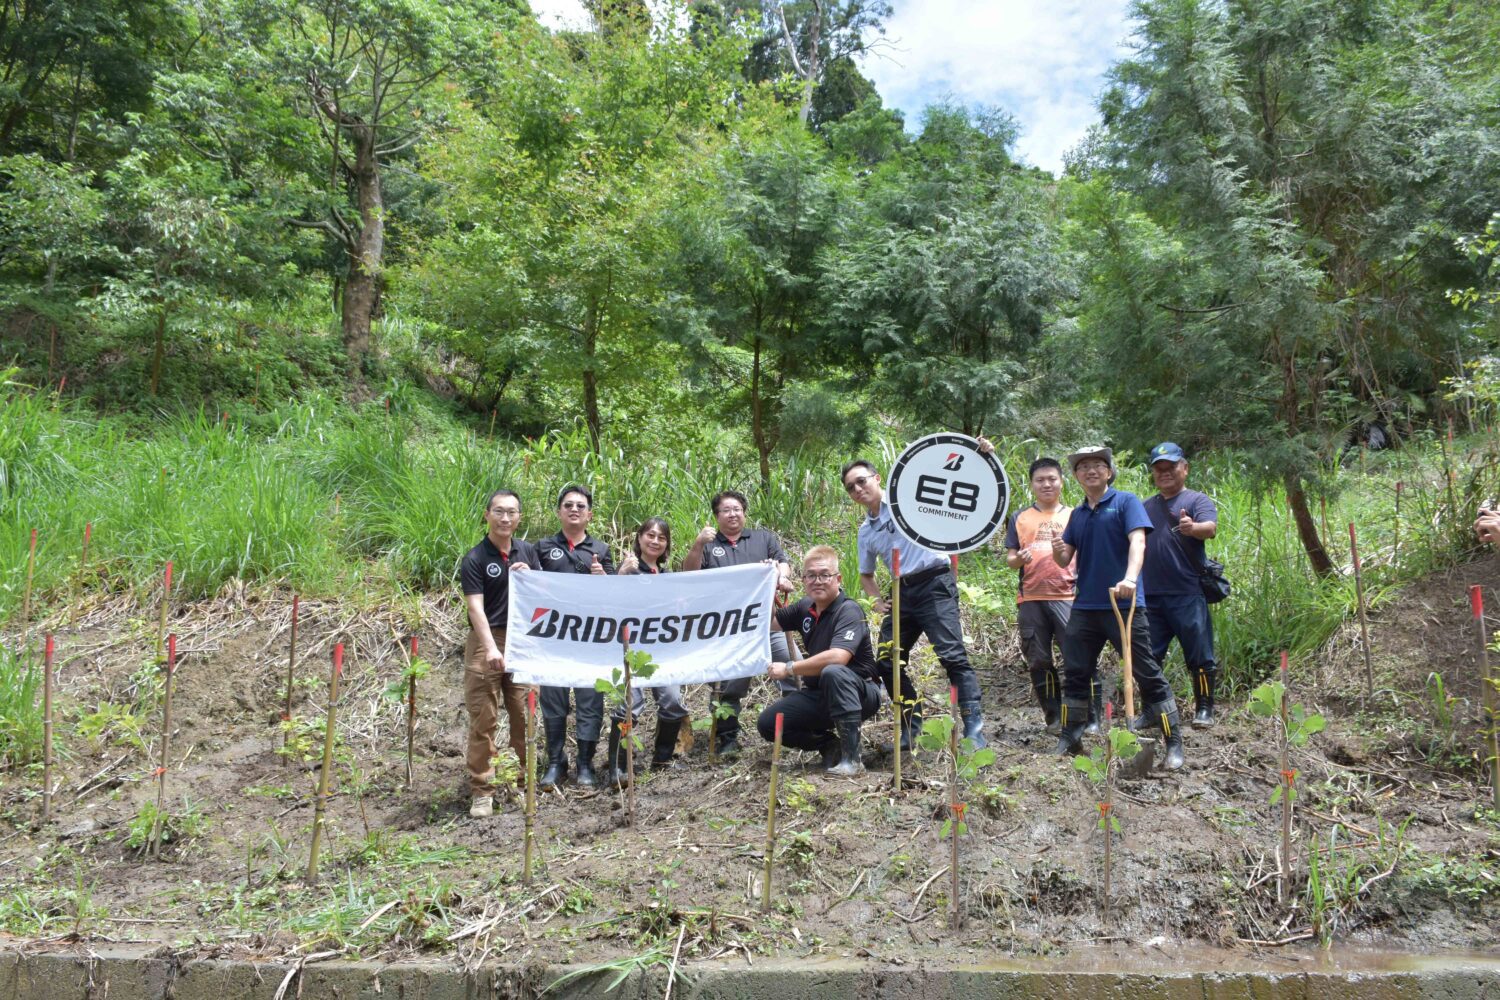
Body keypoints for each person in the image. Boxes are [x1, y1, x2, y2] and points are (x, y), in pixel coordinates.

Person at [1049, 447, 1184, 770]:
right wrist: (1057, 550)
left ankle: (1173, 741)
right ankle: (1071, 735)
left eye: (1097, 465)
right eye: (1083, 467)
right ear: (1076, 477)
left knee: (1146, 672)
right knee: (1076, 672)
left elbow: (1138, 541)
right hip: (1085, 605)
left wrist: (1130, 578)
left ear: (1109, 472)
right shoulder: (1078, 514)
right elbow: (1064, 559)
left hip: (1124, 604)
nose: (1090, 471)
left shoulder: (1126, 502)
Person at [842, 459, 989, 749]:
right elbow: (865, 573)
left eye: (862, 481)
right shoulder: (865, 531)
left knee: (952, 656)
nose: (858, 489)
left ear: (877, 478)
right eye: (851, 488)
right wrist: (875, 602)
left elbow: (950, 480)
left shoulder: (909, 501)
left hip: (935, 582)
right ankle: (912, 725)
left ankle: (974, 730)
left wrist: (979, 453)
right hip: (902, 593)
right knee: (886, 660)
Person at [681, 490, 795, 756]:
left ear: (744, 512)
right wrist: (697, 544)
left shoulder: (763, 538)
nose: (732, 514)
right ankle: (727, 738)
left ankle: (794, 728)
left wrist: (779, 573)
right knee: (729, 687)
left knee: (794, 670)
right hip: (729, 630)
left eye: (737, 509)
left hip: (769, 625)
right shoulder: (708, 545)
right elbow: (689, 575)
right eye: (726, 510)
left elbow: (784, 565)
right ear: (716, 516)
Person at [756, 545, 883, 776]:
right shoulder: (806, 607)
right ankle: (829, 745)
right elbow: (767, 622)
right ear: (803, 580)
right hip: (821, 694)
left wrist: (789, 668)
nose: (818, 581)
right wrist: (768, 583)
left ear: (838, 578)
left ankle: (852, 759)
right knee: (769, 723)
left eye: (825, 575)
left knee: (833, 671)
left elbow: (838, 657)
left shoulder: (849, 610)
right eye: (811, 576)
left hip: (860, 692)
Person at [459, 489, 541, 818]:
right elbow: (475, 608)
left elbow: (543, 596)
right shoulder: (476, 558)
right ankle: (482, 790)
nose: (505, 518)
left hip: (523, 639)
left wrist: (531, 577)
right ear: (487, 515)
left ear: (520, 517)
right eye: (499, 512)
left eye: (511, 512)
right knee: (484, 719)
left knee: (524, 716)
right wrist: (491, 648)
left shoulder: (528, 552)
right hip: (486, 641)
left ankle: (520, 784)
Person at [534, 484, 614, 789]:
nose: (574, 510)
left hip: (590, 638)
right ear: (559, 512)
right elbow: (529, 586)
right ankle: (555, 762)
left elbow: (614, 595)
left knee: (590, 700)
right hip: (552, 638)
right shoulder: (541, 548)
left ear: (589, 515)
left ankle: (585, 763)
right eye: (568, 505)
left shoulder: (601, 551)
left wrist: (604, 578)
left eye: (581, 506)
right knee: (553, 699)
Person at [604, 517, 689, 786]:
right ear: (639, 538)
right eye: (650, 535)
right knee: (629, 705)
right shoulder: (628, 569)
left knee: (673, 702)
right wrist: (620, 576)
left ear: (666, 546)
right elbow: (607, 604)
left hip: (664, 651)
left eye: (661, 537)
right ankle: (619, 765)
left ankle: (662, 758)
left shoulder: (667, 577)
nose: (654, 540)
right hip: (630, 649)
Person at [1141, 442, 1221, 728]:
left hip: (1187, 593)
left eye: (1171, 467)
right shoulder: (1145, 506)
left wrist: (1193, 528)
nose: (1165, 473)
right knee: (1149, 657)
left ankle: (1205, 709)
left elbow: (1209, 528)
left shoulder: (1197, 501)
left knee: (1199, 654)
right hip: (1150, 597)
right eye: (1158, 468)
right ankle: (1151, 710)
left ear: (1184, 469)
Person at [1003, 458, 1078, 735]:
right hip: (1031, 598)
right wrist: (1019, 559)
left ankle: (1082, 716)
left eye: (1052, 479)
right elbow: (1010, 558)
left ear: (1061, 481)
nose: (1046, 484)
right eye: (1040, 480)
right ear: (1032, 484)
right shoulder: (1020, 517)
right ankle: (1054, 718)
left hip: (1069, 596)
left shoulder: (1075, 514)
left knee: (1077, 657)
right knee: (1038, 660)